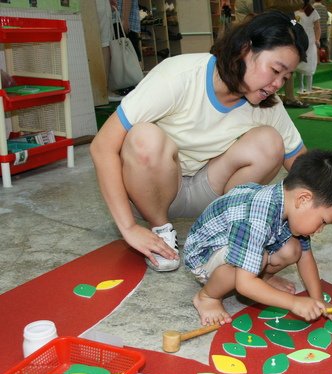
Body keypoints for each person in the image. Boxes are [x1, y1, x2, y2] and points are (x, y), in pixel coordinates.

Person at [90, 11, 310, 273]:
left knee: (271, 143)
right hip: (151, 189)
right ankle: (160, 230)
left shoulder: (266, 104)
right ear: (244, 49)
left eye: (285, 78)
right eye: (275, 70)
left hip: (205, 190)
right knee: (143, 137)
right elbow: (102, 146)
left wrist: (318, 204)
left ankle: (221, 229)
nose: (277, 84)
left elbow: (302, 165)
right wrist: (128, 227)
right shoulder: (179, 76)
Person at [183, 149, 332, 326]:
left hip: (234, 246)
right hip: (204, 257)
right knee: (258, 260)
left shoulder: (288, 205)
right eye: (323, 221)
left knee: (293, 249)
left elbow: (305, 257)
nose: (320, 229)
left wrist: (318, 300)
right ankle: (207, 297)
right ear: (303, 199)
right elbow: (244, 285)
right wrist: (293, 303)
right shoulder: (256, 217)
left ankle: (261, 279)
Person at [294, 0, 321, 92]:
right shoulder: (295, 11)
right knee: (298, 64)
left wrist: (317, 39)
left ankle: (309, 88)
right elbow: (292, 23)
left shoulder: (312, 12)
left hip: (310, 40)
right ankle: (300, 87)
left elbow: (317, 27)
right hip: (298, 40)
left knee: (309, 63)